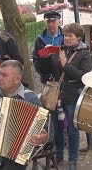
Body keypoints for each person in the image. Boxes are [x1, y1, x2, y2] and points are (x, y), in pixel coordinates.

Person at [35, 22, 92, 170]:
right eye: (65, 35)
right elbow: (47, 71)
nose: (66, 38)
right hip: (56, 97)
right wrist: (46, 58)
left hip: (73, 98)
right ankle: (58, 155)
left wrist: (66, 64)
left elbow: (84, 76)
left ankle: (72, 159)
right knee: (57, 129)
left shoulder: (85, 53)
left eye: (70, 35)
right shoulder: (59, 50)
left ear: (78, 37)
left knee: (72, 130)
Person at [32, 10, 65, 165]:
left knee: (66, 118)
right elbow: (36, 61)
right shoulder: (40, 39)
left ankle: (63, 150)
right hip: (49, 84)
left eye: (54, 21)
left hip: (65, 83)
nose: (51, 24)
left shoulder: (66, 36)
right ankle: (55, 153)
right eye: (48, 21)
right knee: (51, 120)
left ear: (59, 21)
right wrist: (46, 69)